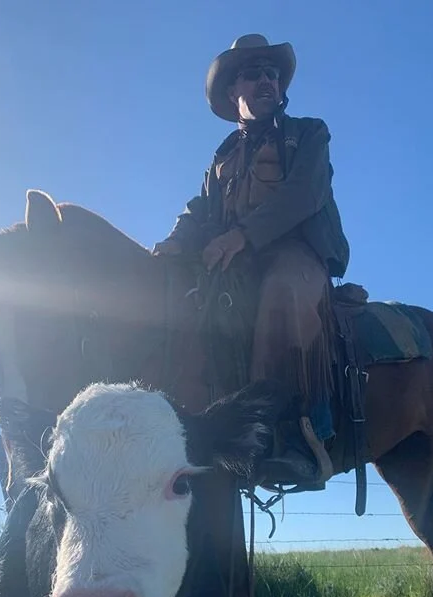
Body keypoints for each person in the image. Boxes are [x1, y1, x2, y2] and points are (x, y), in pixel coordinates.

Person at [153, 34, 350, 487]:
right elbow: (199, 212)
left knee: (283, 290)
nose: (266, 80)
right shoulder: (221, 158)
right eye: (253, 73)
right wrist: (177, 241)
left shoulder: (309, 134)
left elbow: (304, 194)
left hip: (296, 254)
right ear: (231, 91)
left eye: (272, 73)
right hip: (235, 260)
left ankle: (301, 433)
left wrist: (242, 236)